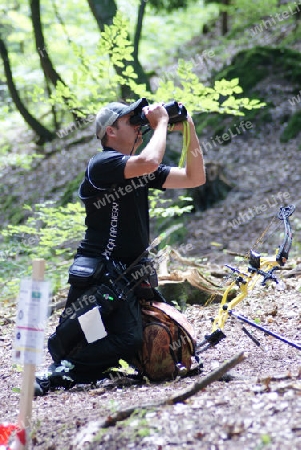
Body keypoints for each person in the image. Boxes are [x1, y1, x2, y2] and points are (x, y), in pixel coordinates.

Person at [35, 98, 205, 395]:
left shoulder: (139, 170)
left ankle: (78, 365)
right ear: (110, 132)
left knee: (145, 333)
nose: (139, 125)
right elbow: (150, 161)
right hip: (99, 276)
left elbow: (194, 177)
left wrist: (188, 126)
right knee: (109, 335)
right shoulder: (102, 164)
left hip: (129, 276)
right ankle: (62, 370)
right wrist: (162, 123)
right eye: (131, 121)